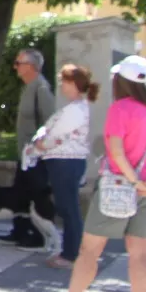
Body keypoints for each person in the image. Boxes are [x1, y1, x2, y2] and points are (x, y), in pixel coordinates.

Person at [42, 55, 146, 292]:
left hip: (117, 187)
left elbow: (116, 151)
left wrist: (134, 181)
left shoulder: (119, 109)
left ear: (120, 81)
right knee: (140, 254)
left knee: (90, 251)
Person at [29, 64, 95, 269]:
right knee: (67, 207)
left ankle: (72, 254)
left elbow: (54, 133)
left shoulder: (75, 109)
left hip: (66, 162)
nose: (61, 86)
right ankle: (71, 251)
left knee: (68, 208)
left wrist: (41, 143)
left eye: (64, 82)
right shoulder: (75, 107)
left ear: (74, 83)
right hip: (65, 162)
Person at [9, 48, 57, 247]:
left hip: (35, 155)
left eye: (19, 63)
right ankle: (19, 231)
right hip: (25, 153)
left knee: (37, 194)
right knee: (20, 193)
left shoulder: (41, 89)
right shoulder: (28, 88)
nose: (15, 67)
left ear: (31, 66)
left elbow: (50, 122)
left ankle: (39, 235)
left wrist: (39, 147)